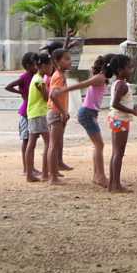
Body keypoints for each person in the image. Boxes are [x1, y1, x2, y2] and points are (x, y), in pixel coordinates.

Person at [53, 53, 111, 187]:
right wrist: (63, 90)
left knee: (98, 145)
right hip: (87, 113)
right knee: (99, 145)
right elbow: (82, 84)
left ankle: (97, 175)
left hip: (90, 113)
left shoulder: (101, 78)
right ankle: (100, 176)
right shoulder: (100, 78)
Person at [107, 54, 137, 193]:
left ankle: (112, 183)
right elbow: (115, 103)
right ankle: (116, 185)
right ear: (120, 70)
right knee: (119, 153)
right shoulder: (122, 85)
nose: (131, 70)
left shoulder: (117, 83)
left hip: (116, 119)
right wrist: (132, 111)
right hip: (121, 120)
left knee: (115, 152)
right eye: (129, 67)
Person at [5, 52, 36, 177]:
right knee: (26, 140)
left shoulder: (36, 76)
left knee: (31, 141)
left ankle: (31, 167)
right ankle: (26, 168)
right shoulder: (25, 77)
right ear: (28, 66)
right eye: (34, 64)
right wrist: (21, 93)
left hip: (33, 111)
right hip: (25, 113)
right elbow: (8, 86)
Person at [45, 48, 73, 186]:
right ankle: (52, 177)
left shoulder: (59, 74)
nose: (70, 61)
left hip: (57, 112)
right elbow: (53, 95)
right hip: (56, 113)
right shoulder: (58, 76)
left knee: (55, 145)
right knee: (54, 145)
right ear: (57, 61)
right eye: (66, 59)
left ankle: (54, 173)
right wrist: (62, 111)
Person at [24, 52, 52, 183]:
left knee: (31, 144)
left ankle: (29, 174)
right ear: (44, 66)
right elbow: (46, 97)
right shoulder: (40, 81)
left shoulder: (35, 78)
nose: (51, 68)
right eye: (50, 65)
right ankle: (45, 173)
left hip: (32, 113)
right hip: (40, 113)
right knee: (48, 143)